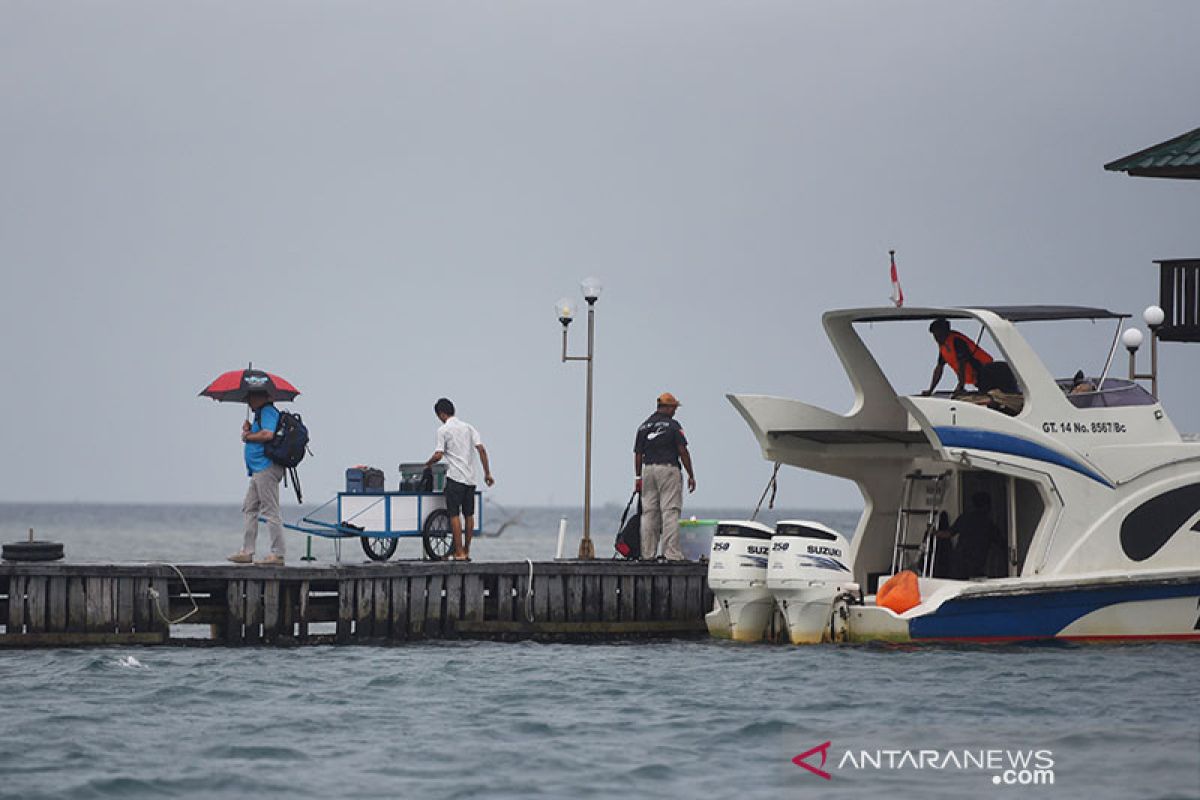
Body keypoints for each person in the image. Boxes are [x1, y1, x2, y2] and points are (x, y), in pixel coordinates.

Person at [424, 398, 494, 561]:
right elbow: (481, 449)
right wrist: (487, 473)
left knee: (454, 514)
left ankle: (459, 552)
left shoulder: (443, 430)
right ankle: (466, 551)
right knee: (469, 515)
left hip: (455, 478)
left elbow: (439, 454)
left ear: (441, 414)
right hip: (470, 479)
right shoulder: (469, 428)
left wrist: (427, 464)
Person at [634, 392, 697, 561]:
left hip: (648, 470)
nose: (675, 411)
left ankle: (647, 554)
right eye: (674, 408)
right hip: (668, 469)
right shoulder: (673, 426)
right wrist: (691, 474)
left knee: (649, 512)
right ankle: (671, 553)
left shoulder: (643, 426)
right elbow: (683, 451)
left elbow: (638, 454)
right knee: (670, 511)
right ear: (668, 407)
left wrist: (638, 478)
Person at [228, 390, 286, 565]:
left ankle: (278, 554)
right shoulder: (260, 415)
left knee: (270, 510)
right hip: (257, 470)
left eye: (250, 398)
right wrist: (249, 430)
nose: (248, 401)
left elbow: (267, 434)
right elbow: (261, 434)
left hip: (266, 468)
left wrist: (248, 436)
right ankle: (247, 550)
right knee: (249, 507)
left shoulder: (268, 411)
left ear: (261, 397)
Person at [921, 318, 1017, 396]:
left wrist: (960, 387)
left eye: (938, 335)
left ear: (946, 331)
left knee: (994, 398)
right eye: (935, 335)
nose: (936, 338)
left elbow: (962, 364)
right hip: (980, 378)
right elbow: (939, 369)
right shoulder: (944, 346)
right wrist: (930, 390)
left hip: (989, 372)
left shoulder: (956, 341)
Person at [948, 492, 1004, 580]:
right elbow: (1001, 544)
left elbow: (948, 534)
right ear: (986, 506)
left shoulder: (964, 518)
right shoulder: (988, 524)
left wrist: (933, 532)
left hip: (959, 564)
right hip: (977, 565)